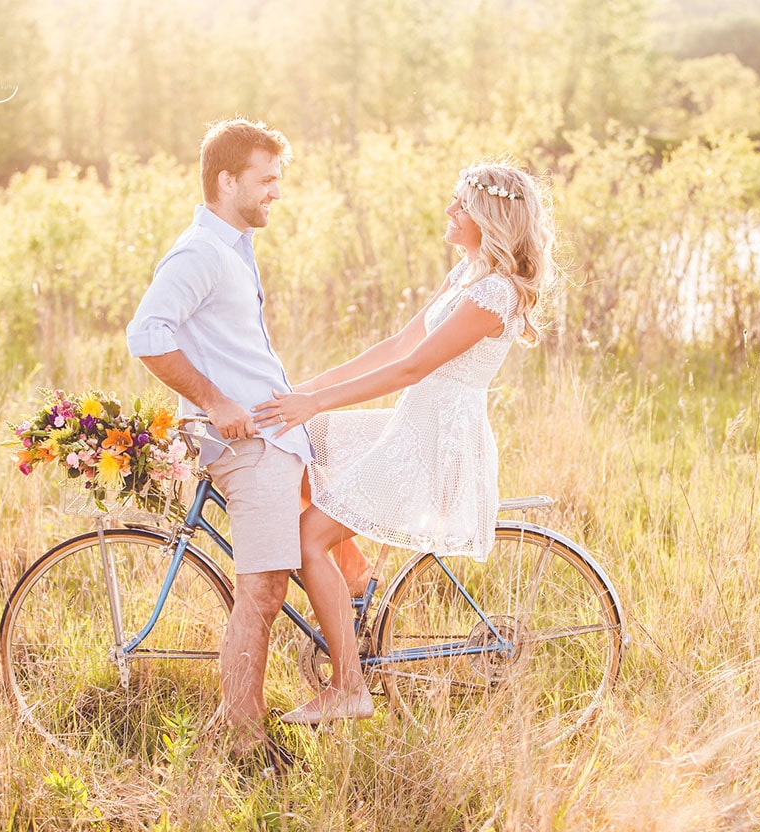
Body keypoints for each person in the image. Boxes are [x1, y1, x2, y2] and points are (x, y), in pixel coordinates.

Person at [252, 159, 559, 724]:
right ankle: (356, 581)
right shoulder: (466, 275)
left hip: (436, 441)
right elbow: (396, 345)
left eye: (459, 205)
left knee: (306, 540)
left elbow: (411, 369)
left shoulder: (493, 293)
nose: (449, 211)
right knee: (305, 445)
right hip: (413, 423)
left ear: (488, 217)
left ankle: (350, 689)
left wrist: (314, 402)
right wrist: (303, 394)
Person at [125, 117, 310, 756]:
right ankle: (244, 740)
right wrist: (214, 400)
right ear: (226, 180)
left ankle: (356, 639)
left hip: (279, 434)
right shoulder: (200, 252)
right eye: (265, 180)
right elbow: (147, 335)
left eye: (277, 180)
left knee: (334, 536)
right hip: (248, 447)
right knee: (261, 589)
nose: (275, 193)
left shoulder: (232, 248)